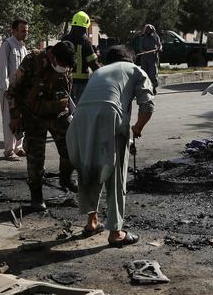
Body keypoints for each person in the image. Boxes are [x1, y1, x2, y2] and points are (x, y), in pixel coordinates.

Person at [66, 45, 154, 247]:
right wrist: (137, 129)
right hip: (109, 116)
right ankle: (116, 232)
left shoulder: (98, 72)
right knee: (115, 176)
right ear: (130, 59)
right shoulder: (135, 70)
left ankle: (92, 222)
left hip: (80, 119)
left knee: (90, 169)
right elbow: (147, 105)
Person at [6, 41, 78, 210]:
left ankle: (65, 178)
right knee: (35, 159)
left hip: (59, 115)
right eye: (60, 64)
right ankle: (37, 198)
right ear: (52, 56)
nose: (63, 68)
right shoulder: (33, 61)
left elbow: (67, 88)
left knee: (71, 149)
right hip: (34, 116)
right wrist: (15, 116)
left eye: (66, 66)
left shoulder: (67, 62)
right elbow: (12, 90)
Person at [0, 19, 29, 161]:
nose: (25, 33)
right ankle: (9, 151)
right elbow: (3, 68)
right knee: (9, 120)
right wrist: (5, 89)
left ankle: (18, 147)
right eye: (22, 31)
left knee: (20, 119)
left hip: (22, 90)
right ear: (14, 30)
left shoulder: (23, 47)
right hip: (9, 90)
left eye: (26, 31)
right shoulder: (7, 45)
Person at [62, 11, 101, 104]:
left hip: (65, 81)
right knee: (80, 109)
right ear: (85, 26)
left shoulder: (64, 39)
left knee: (67, 109)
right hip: (81, 83)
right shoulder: (85, 41)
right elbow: (93, 63)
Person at [140, 24, 162, 93]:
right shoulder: (143, 37)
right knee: (145, 74)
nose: (148, 30)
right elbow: (140, 48)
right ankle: (147, 89)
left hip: (153, 59)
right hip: (144, 59)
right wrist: (143, 51)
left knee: (153, 75)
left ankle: (154, 87)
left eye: (150, 29)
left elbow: (160, 45)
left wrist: (159, 49)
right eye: (147, 29)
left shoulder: (155, 36)